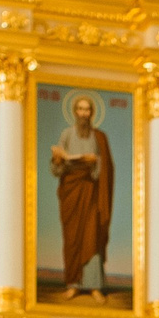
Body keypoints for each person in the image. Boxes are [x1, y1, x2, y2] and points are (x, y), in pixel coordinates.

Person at [50, 94, 116, 299]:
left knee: (91, 236)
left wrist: (96, 163)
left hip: (91, 192)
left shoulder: (99, 137)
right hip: (71, 192)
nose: (83, 113)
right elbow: (56, 169)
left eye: (87, 110)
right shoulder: (67, 134)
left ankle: (94, 285)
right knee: (72, 238)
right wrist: (59, 160)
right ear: (74, 112)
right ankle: (73, 284)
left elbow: (107, 167)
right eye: (80, 109)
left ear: (92, 113)